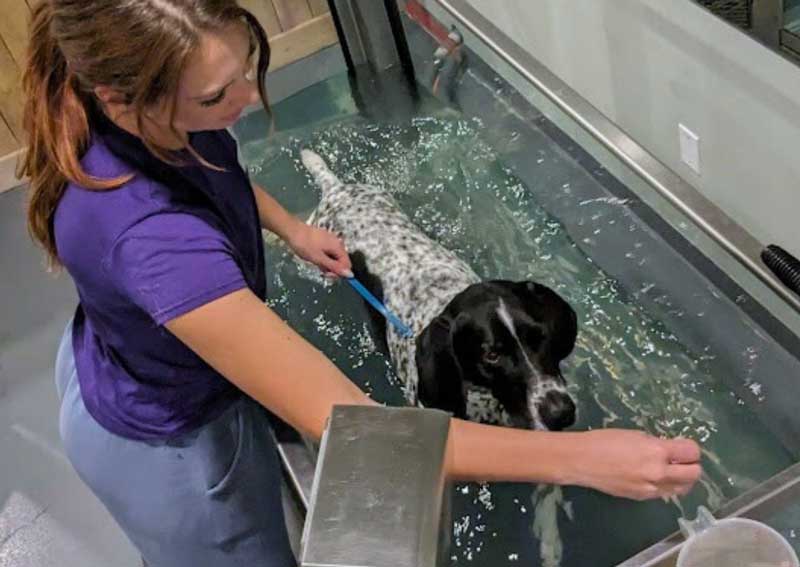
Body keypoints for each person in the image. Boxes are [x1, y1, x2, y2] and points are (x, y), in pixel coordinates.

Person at [20, 1, 702, 566]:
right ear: (122, 96)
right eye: (216, 95)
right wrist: (581, 457)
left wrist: (290, 227)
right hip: (173, 452)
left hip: (112, 359)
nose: (252, 100)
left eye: (250, 70)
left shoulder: (130, 117)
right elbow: (362, 432)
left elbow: (210, 175)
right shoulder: (153, 243)